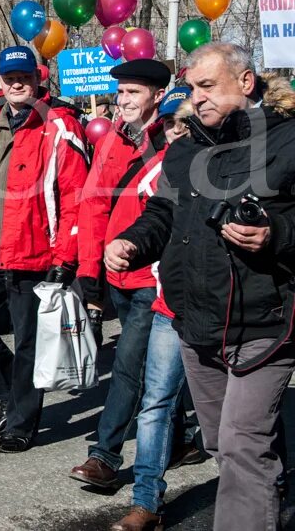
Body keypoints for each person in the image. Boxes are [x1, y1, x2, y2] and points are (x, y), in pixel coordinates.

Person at [106, 44, 295, 531]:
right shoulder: (185, 146)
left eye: (208, 86)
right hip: (193, 321)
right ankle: (270, 487)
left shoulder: (288, 139)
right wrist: (131, 242)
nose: (198, 97)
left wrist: (274, 234)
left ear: (247, 82)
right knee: (220, 443)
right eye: (192, 88)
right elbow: (163, 214)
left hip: (264, 323)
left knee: (241, 443)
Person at [0, 45, 89, 453]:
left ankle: (22, 424)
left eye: (24, 78)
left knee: (29, 340)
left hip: (33, 252)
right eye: (9, 78)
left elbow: (76, 196)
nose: (17, 84)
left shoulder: (60, 125)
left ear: (37, 79)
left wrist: (66, 256)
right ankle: (10, 393)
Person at [69, 58, 172, 489]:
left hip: (153, 277)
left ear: (157, 96)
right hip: (117, 276)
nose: (123, 100)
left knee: (129, 364)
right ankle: (181, 441)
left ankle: (105, 457)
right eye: (121, 92)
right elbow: (93, 205)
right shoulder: (112, 138)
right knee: (150, 366)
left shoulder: (175, 141)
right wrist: (89, 272)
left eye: (133, 92)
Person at [105, 87, 195, 531]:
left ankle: (259, 490)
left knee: (237, 423)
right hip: (169, 300)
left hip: (234, 310)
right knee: (156, 402)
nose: (176, 133)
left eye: (185, 123)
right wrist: (131, 243)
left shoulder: (243, 157)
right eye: (171, 125)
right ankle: (147, 503)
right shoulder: (173, 164)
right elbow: (158, 216)